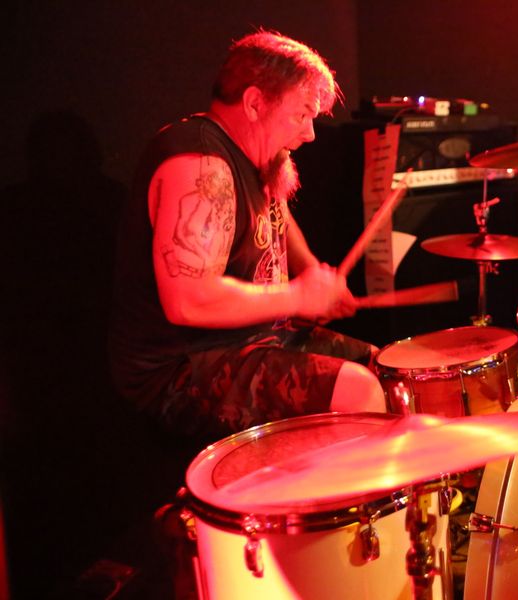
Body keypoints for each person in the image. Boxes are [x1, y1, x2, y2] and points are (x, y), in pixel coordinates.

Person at [109, 31, 386, 440]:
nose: (310, 133)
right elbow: (189, 300)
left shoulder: (259, 157)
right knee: (357, 390)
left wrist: (313, 274)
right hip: (177, 368)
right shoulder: (201, 163)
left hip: (252, 339)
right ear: (255, 103)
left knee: (385, 369)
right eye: (301, 115)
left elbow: (276, 216)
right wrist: (298, 297)